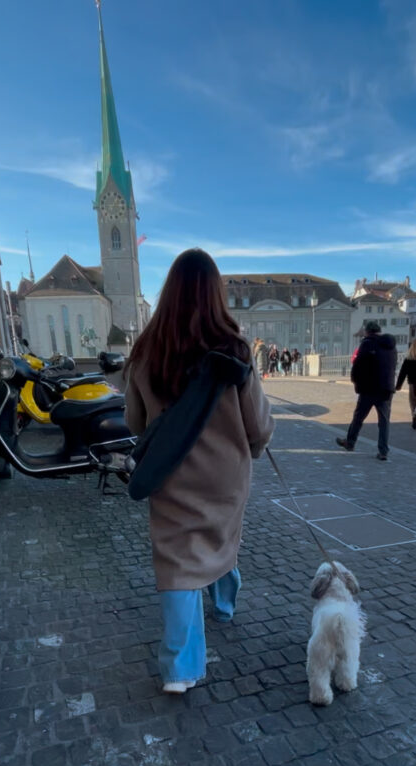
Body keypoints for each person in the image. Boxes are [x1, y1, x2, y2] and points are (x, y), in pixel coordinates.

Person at [124, 249, 274, 694]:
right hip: (225, 477)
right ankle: (224, 605)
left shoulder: (147, 352)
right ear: (215, 295)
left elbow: (135, 422)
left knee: (178, 560)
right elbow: (258, 425)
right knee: (220, 537)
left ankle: (180, 669)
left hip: (172, 474)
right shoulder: (234, 351)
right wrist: (255, 446)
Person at [336, 321, 397, 461]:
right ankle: (383, 451)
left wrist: (356, 382)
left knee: (358, 417)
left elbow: (358, 365)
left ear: (367, 331)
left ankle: (350, 442)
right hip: (386, 388)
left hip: (369, 388)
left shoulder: (367, 343)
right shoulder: (391, 346)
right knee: (384, 421)